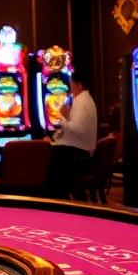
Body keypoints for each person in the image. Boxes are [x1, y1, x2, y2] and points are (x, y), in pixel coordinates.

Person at [48, 68, 97, 199]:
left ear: (80, 84)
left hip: (78, 156)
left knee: (48, 163)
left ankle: (61, 203)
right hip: (81, 153)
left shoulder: (81, 101)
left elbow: (78, 130)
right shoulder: (86, 99)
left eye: (71, 83)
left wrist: (63, 118)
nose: (69, 87)